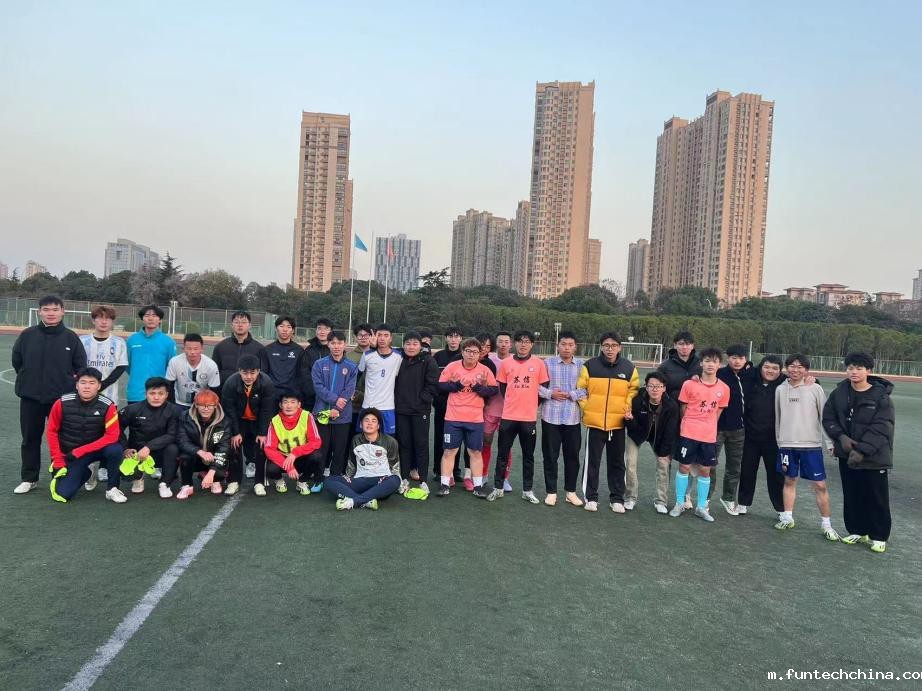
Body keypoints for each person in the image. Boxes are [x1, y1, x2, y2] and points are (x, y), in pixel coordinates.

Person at [12, 295, 87, 494]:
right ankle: (29, 478)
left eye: (55, 309)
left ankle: (61, 476)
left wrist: (67, 384)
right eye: (46, 309)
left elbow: (80, 366)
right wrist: (29, 379)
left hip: (61, 399)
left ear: (62, 311)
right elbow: (17, 361)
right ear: (39, 312)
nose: (51, 313)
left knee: (63, 440)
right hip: (31, 398)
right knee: (30, 439)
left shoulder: (71, 337)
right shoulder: (27, 335)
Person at [822, 352, 895, 553]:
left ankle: (879, 536)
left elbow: (883, 426)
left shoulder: (881, 396)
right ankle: (857, 530)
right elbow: (828, 418)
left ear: (868, 371)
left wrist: (862, 450)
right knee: (852, 494)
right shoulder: (839, 393)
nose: (854, 372)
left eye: (859, 368)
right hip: (847, 454)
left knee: (876, 497)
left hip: (874, 457)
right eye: (850, 368)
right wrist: (841, 438)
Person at [773, 354, 838, 540]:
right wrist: (780, 442)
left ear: (806, 370)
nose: (795, 370)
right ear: (787, 368)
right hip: (787, 445)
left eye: (800, 366)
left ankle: (826, 524)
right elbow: (778, 417)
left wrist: (829, 442)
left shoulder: (815, 388)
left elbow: (824, 417)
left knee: (820, 485)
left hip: (811, 446)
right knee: (789, 480)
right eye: (792, 366)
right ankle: (787, 517)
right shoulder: (780, 389)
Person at [576, 332, 639, 513]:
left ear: (620, 347)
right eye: (606, 345)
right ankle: (591, 498)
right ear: (601, 347)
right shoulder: (590, 366)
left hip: (618, 424)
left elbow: (633, 391)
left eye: (614, 346)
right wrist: (588, 408)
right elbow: (581, 389)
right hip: (595, 424)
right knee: (592, 462)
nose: (610, 349)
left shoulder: (629, 368)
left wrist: (625, 408)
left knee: (617, 463)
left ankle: (617, 499)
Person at [46, 367, 125, 504]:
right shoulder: (61, 403)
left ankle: (112, 488)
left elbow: (112, 436)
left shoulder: (108, 406)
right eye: (83, 382)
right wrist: (57, 459)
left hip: (95, 450)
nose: (87, 386)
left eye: (92, 383)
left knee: (115, 449)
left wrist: (81, 450)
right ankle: (86, 472)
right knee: (63, 494)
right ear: (77, 385)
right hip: (71, 453)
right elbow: (51, 431)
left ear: (99, 386)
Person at [487, 331, 549, 503]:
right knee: (502, 454)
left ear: (532, 344)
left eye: (527, 341)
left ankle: (527, 490)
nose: (523, 344)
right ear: (515, 343)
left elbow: (543, 389)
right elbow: (503, 387)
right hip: (508, 416)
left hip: (528, 418)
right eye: (520, 341)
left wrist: (531, 404)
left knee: (528, 455)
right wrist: (513, 402)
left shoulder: (538, 364)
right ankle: (498, 488)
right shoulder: (506, 363)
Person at [669, 348, 729, 522]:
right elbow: (683, 408)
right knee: (684, 467)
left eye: (714, 361)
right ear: (701, 363)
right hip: (689, 433)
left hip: (708, 436)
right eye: (707, 361)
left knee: (705, 470)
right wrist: (690, 425)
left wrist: (707, 426)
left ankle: (701, 507)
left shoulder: (724, 388)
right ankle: (680, 503)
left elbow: (718, 412)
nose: (710, 364)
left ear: (719, 365)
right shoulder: (689, 384)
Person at [438, 338, 497, 497]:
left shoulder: (485, 370)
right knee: (449, 451)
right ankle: (444, 484)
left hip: (475, 419)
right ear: (462, 352)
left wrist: (479, 388)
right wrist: (455, 385)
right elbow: (441, 385)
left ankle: (478, 487)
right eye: (468, 351)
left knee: (475, 452)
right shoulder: (452, 366)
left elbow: (493, 390)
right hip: (453, 418)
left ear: (479, 354)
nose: (471, 355)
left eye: (475, 352)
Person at [538, 331, 586, 507]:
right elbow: (535, 385)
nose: (567, 348)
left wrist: (572, 394)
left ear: (575, 347)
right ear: (557, 346)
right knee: (550, 456)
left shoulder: (582, 365)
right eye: (563, 344)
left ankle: (570, 492)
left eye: (570, 345)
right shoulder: (547, 363)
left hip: (573, 418)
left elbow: (589, 388)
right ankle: (551, 492)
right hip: (551, 417)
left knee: (572, 456)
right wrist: (550, 393)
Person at [116, 377, 181, 498]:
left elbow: (172, 435)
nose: (156, 397)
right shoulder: (132, 409)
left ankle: (165, 483)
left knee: (173, 448)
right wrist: (125, 448)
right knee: (117, 453)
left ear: (167, 394)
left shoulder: (175, 410)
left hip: (161, 450)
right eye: (152, 393)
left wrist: (149, 447)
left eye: (160, 393)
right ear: (146, 393)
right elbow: (116, 428)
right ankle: (138, 477)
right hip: (137, 451)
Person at [325, 408, 402, 510]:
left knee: (395, 480)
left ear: (378, 426)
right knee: (329, 481)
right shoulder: (356, 439)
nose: (369, 423)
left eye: (373, 421)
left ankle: (353, 501)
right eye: (366, 420)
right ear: (361, 424)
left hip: (381, 481)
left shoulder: (390, 441)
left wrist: (399, 486)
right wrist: (348, 479)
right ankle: (365, 501)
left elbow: (395, 467)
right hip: (361, 480)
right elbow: (352, 464)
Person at [624, 371, 679, 514]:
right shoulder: (637, 401)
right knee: (630, 463)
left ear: (664, 388)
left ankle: (661, 501)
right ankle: (630, 498)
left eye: (658, 386)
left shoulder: (671, 406)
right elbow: (632, 427)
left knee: (663, 464)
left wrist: (664, 452)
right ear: (646, 387)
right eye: (651, 386)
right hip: (637, 434)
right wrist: (629, 420)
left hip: (660, 437)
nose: (655, 389)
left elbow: (670, 432)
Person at [737, 355, 785, 517]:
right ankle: (743, 503)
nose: (770, 371)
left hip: (774, 440)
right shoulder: (750, 380)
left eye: (775, 368)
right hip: (750, 437)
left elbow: (803, 382)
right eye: (767, 367)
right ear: (760, 368)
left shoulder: (785, 384)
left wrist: (813, 380)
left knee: (776, 475)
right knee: (747, 471)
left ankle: (781, 508)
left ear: (780, 371)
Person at [221, 354, 276, 495]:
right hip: (239, 420)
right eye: (245, 373)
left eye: (253, 372)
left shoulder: (266, 383)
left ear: (258, 371)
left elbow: (266, 410)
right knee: (234, 445)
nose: (249, 376)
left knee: (261, 446)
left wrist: (262, 433)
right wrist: (235, 432)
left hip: (258, 420)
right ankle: (233, 481)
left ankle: (259, 482)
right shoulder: (230, 384)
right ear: (239, 371)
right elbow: (229, 410)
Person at [393, 331, 439, 495]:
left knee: (421, 444)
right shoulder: (398, 360)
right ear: (403, 345)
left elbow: (432, 384)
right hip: (401, 410)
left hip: (420, 411)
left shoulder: (428, 360)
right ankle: (404, 478)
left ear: (420, 345)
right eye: (408, 343)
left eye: (414, 344)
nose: (411, 347)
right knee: (404, 444)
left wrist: (421, 400)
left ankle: (423, 480)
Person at [311, 331, 359, 481]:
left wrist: (337, 409)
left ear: (345, 344)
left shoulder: (351, 366)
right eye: (333, 343)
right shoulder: (319, 364)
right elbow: (318, 386)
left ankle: (335, 480)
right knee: (321, 449)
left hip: (342, 415)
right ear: (328, 344)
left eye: (339, 343)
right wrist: (335, 400)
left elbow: (350, 389)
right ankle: (318, 479)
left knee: (339, 450)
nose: (336, 346)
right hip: (322, 414)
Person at [176, 390, 235, 499]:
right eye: (202, 405)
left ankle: (215, 479)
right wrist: (200, 452)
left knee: (230, 451)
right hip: (196, 455)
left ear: (216, 406)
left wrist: (212, 473)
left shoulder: (225, 421)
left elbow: (223, 448)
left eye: (210, 405)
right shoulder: (185, 417)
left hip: (213, 456)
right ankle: (187, 485)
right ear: (196, 405)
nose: (206, 408)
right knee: (185, 457)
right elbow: (182, 440)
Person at [264, 393, 323, 496]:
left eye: (293, 402)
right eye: (285, 402)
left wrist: (295, 453)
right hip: (284, 459)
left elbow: (316, 441)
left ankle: (302, 481)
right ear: (280, 405)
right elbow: (269, 449)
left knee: (317, 456)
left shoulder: (307, 416)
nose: (289, 406)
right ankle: (279, 480)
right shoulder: (275, 421)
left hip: (301, 457)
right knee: (271, 469)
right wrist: (289, 467)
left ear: (299, 404)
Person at [126, 305, 177, 404]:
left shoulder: (168, 342)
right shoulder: (132, 340)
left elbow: (171, 367)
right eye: (147, 315)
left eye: (154, 315)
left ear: (160, 319)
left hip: (158, 394)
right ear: (142, 319)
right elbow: (127, 365)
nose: (150, 318)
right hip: (136, 393)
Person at [79, 305, 128, 406]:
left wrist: (102, 385)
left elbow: (121, 367)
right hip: (85, 395)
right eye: (100, 318)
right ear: (93, 321)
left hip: (110, 397)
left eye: (108, 319)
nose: (104, 322)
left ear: (112, 322)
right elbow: (77, 365)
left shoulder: (119, 342)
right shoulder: (82, 341)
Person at [358, 323, 402, 435]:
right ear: (374, 337)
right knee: (365, 439)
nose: (382, 338)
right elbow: (358, 374)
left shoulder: (398, 356)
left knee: (388, 439)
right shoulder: (367, 355)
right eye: (379, 335)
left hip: (388, 406)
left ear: (391, 338)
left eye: (386, 335)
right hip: (368, 405)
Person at [432, 326, 463, 481]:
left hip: (459, 405)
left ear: (461, 339)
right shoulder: (438, 356)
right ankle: (438, 470)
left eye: (456, 336)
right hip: (442, 403)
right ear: (446, 338)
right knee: (440, 436)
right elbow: (434, 380)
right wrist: (437, 399)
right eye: (450, 336)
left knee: (456, 438)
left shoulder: (464, 356)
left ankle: (454, 470)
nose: (453, 339)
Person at [485, 331, 514, 491]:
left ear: (511, 344)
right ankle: (482, 475)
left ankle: (504, 478)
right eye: (500, 341)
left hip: (508, 412)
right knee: (485, 443)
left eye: (506, 341)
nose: (503, 344)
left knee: (505, 446)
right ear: (495, 343)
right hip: (489, 409)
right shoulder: (488, 359)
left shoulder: (515, 361)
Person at [211, 310, 267, 387]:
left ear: (249, 325)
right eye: (236, 322)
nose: (240, 325)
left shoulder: (259, 348)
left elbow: (263, 374)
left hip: (250, 391)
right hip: (225, 390)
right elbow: (214, 372)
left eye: (244, 322)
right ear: (232, 325)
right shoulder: (220, 347)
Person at [165, 333, 220, 409]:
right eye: (189, 348)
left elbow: (214, 390)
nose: (192, 352)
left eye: (196, 349)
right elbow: (169, 386)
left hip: (202, 405)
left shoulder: (211, 365)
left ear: (202, 349)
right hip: (179, 403)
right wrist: (172, 406)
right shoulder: (174, 362)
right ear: (184, 348)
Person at [263, 315, 304, 399]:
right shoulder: (267, 350)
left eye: (288, 327)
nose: (285, 329)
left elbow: (301, 375)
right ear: (276, 328)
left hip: (292, 395)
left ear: (293, 330)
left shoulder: (299, 350)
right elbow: (264, 374)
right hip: (272, 394)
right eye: (281, 326)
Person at [298, 318, 332, 409]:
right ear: (316, 331)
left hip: (331, 397)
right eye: (319, 328)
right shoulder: (309, 350)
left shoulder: (336, 350)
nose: (322, 332)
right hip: (311, 398)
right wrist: (313, 392)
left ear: (331, 331)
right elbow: (305, 374)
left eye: (326, 329)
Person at [657, 331, 701, 401]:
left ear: (692, 346)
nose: (684, 347)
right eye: (681, 344)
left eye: (688, 344)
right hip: (674, 405)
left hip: (697, 405)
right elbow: (658, 387)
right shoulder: (664, 367)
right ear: (675, 345)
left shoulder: (701, 364)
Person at [346, 323, 374, 418]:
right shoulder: (348, 356)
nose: (363, 337)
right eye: (360, 335)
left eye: (366, 335)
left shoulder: (377, 355)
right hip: (353, 404)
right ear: (356, 337)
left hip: (373, 402)